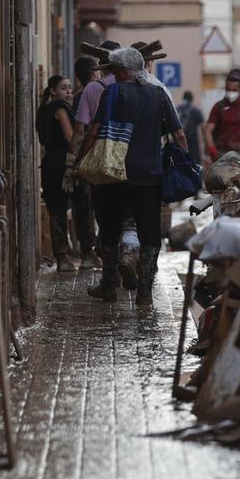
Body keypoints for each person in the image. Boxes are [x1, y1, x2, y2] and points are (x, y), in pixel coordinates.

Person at [76, 47, 187, 305]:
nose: (112, 73)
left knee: (110, 230)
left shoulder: (113, 91)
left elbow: (94, 131)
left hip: (113, 174)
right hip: (149, 175)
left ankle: (108, 287)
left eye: (114, 69)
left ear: (124, 71)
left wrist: (81, 161)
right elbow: (178, 135)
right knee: (149, 234)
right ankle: (145, 293)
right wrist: (182, 164)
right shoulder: (159, 94)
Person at [67, 40, 141, 293]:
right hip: (133, 163)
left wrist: (74, 163)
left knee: (107, 221)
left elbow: (81, 131)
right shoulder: (139, 87)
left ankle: (109, 284)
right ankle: (129, 261)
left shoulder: (92, 89)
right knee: (130, 218)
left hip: (101, 165)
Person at [35, 74, 77, 271]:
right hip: (61, 162)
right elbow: (70, 137)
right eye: (63, 88)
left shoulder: (43, 109)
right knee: (61, 210)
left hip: (49, 161)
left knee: (55, 210)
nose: (68, 91)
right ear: (53, 91)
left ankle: (62, 257)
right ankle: (63, 257)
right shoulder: (59, 108)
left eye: (69, 87)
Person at [63, 55, 100, 269]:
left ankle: (87, 251)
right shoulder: (101, 92)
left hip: (83, 158)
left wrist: (72, 162)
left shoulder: (76, 99)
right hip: (99, 157)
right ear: (94, 72)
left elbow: (77, 134)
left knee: (83, 206)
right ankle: (95, 250)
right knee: (99, 206)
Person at [202, 69, 240, 162]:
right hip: (224, 155)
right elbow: (208, 131)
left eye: (234, 90)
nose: (231, 92)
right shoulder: (219, 107)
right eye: (228, 90)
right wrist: (212, 150)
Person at [177, 90, 205, 161]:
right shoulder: (196, 111)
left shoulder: (177, 109)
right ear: (192, 99)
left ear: (183, 98)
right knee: (194, 162)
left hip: (179, 140)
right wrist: (204, 142)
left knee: (180, 161)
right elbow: (202, 127)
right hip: (193, 142)